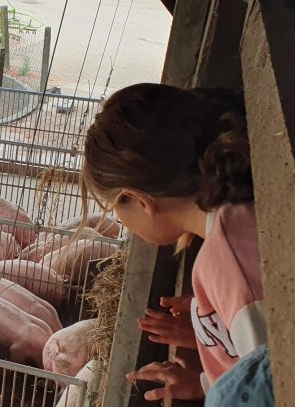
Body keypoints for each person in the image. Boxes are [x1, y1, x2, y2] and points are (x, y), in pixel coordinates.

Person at [78, 83, 271, 403]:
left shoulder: (225, 264)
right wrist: (207, 378)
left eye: (116, 208)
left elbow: (272, 383)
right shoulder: (243, 214)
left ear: (141, 201)